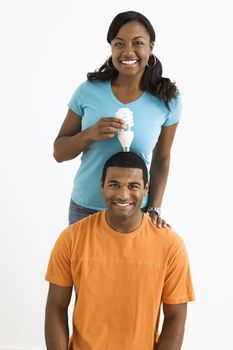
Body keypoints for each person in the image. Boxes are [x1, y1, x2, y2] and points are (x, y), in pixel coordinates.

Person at [45, 152, 195, 350]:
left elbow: (176, 318)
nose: (123, 195)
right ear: (102, 185)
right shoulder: (72, 238)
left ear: (146, 189)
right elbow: (56, 307)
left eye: (133, 186)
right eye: (114, 184)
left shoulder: (170, 245)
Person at [53, 11, 182, 227]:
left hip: (135, 211)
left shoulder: (167, 100)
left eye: (138, 43)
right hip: (86, 209)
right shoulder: (88, 91)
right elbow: (59, 152)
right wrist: (89, 134)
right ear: (111, 47)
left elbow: (162, 160)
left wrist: (154, 208)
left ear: (151, 47)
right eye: (119, 44)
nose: (128, 51)